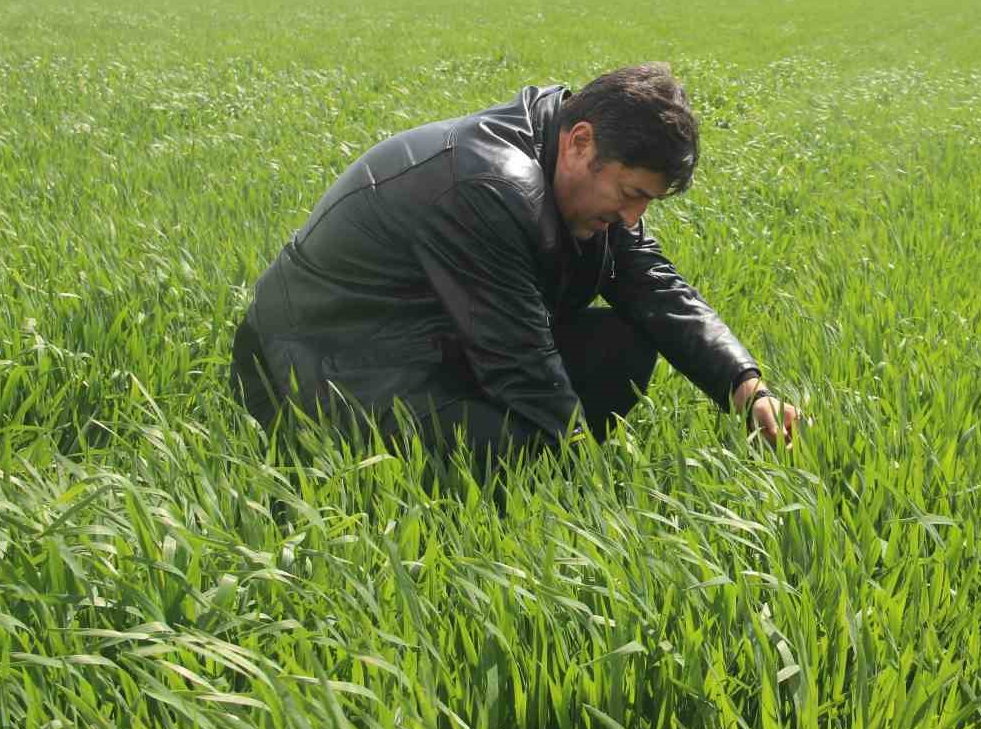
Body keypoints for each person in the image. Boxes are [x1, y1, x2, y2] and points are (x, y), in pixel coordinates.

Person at [229, 63, 800, 475]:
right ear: (580, 142)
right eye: (630, 194)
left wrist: (748, 389)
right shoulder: (488, 186)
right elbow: (520, 359)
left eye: (646, 202)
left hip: (424, 342)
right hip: (315, 363)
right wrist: (588, 481)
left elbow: (653, 286)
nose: (633, 218)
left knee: (622, 346)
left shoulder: (566, 165)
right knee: (513, 450)